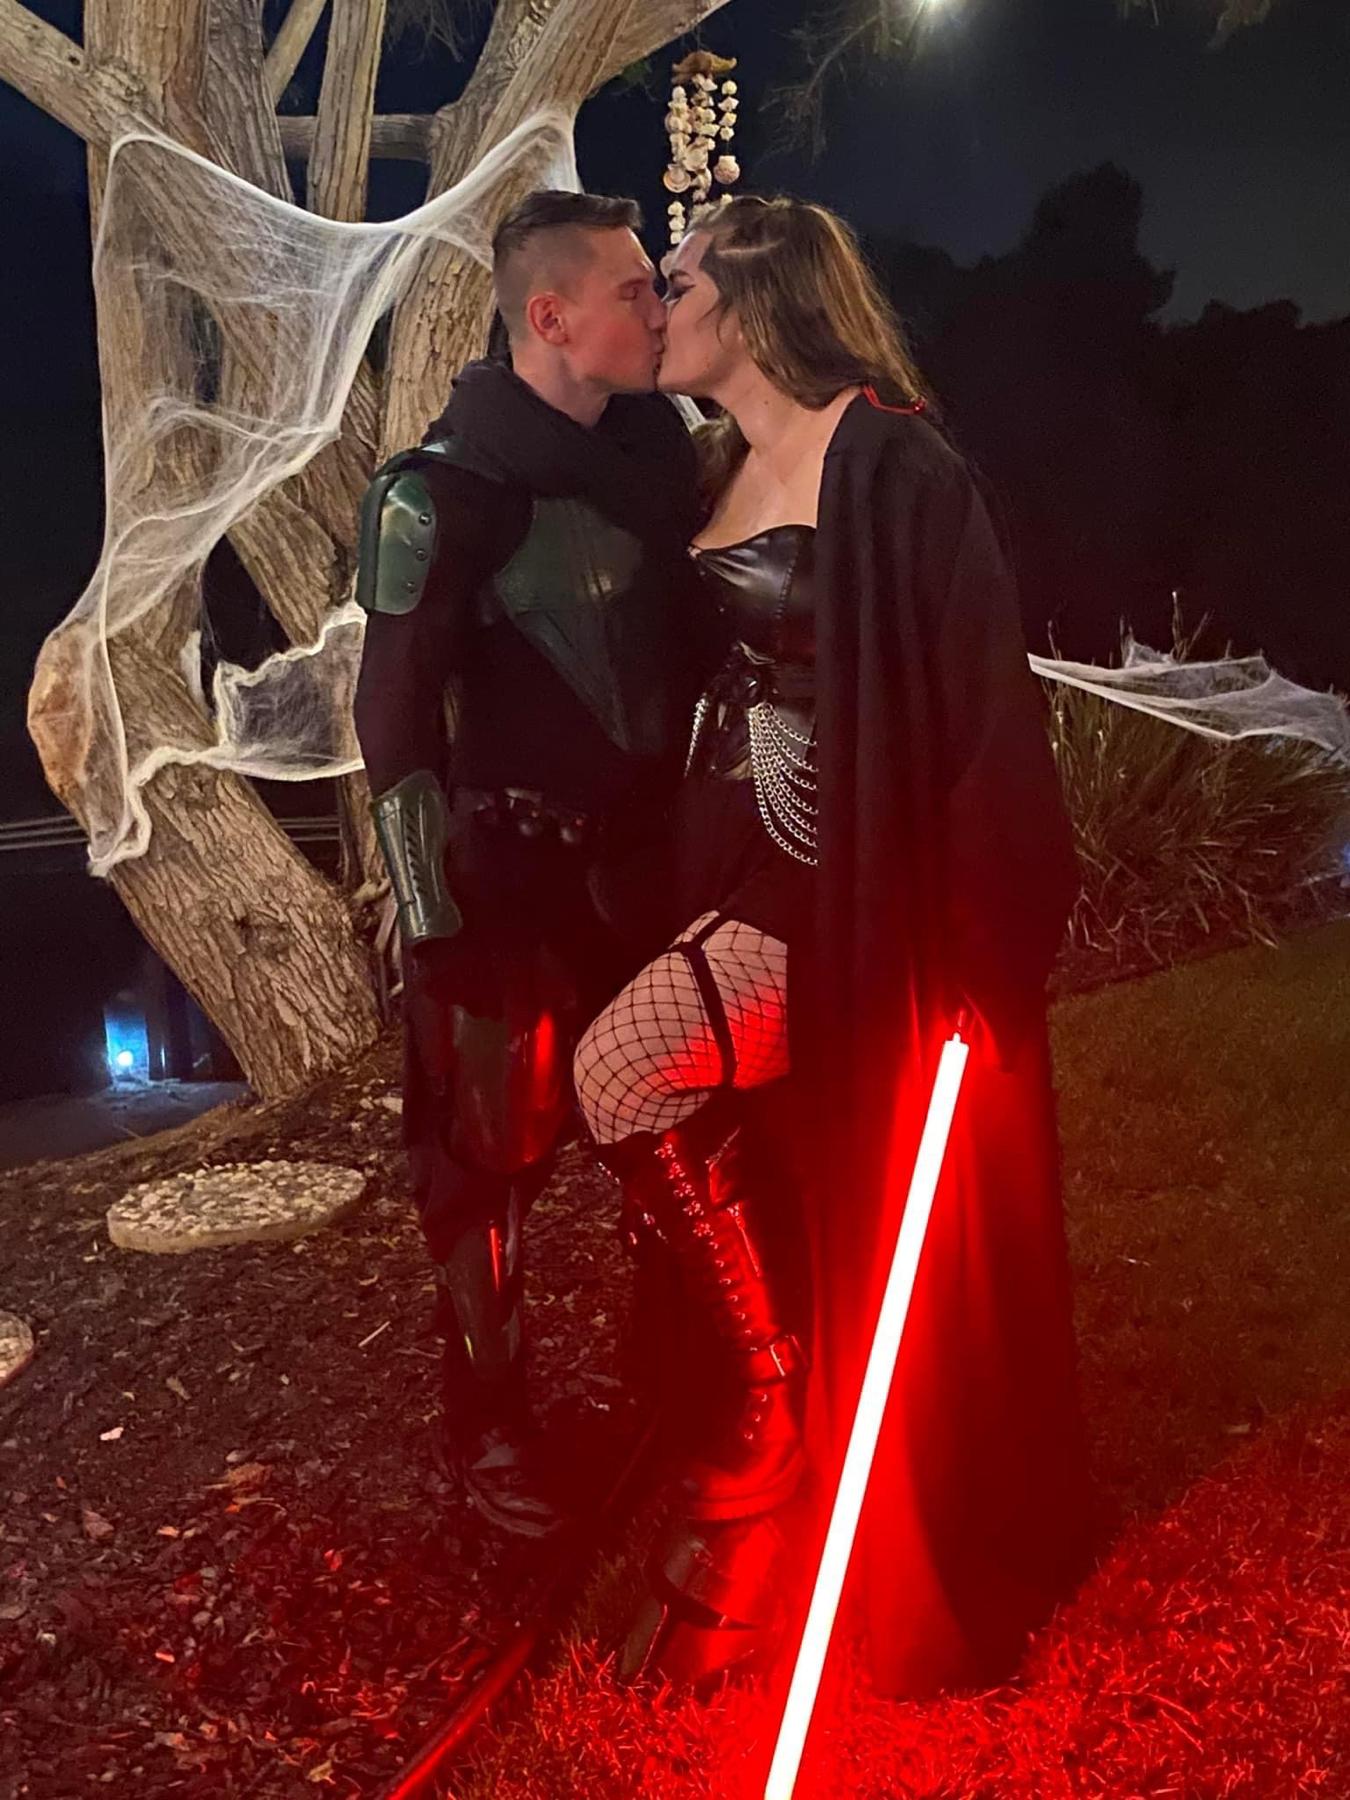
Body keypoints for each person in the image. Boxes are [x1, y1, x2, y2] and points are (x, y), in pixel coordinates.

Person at [573, 195, 1094, 1693]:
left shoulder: (895, 464)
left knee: (621, 1074)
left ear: (753, 299)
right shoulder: (711, 464)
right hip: (727, 865)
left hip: (847, 897)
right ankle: (763, 1402)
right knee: (715, 1131)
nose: (657, 305)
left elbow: (981, 706)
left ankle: (773, 1396)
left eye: (676, 283)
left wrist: (980, 943)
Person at [352, 190, 715, 1539]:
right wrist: (435, 922)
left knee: (676, 1126)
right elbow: (394, 723)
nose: (660, 308)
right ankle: (489, 1423)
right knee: (485, 1160)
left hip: (656, 870)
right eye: (635, 290)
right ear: (549, 317)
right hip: (506, 886)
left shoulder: (666, 455)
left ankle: (681, 1376)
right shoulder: (435, 494)